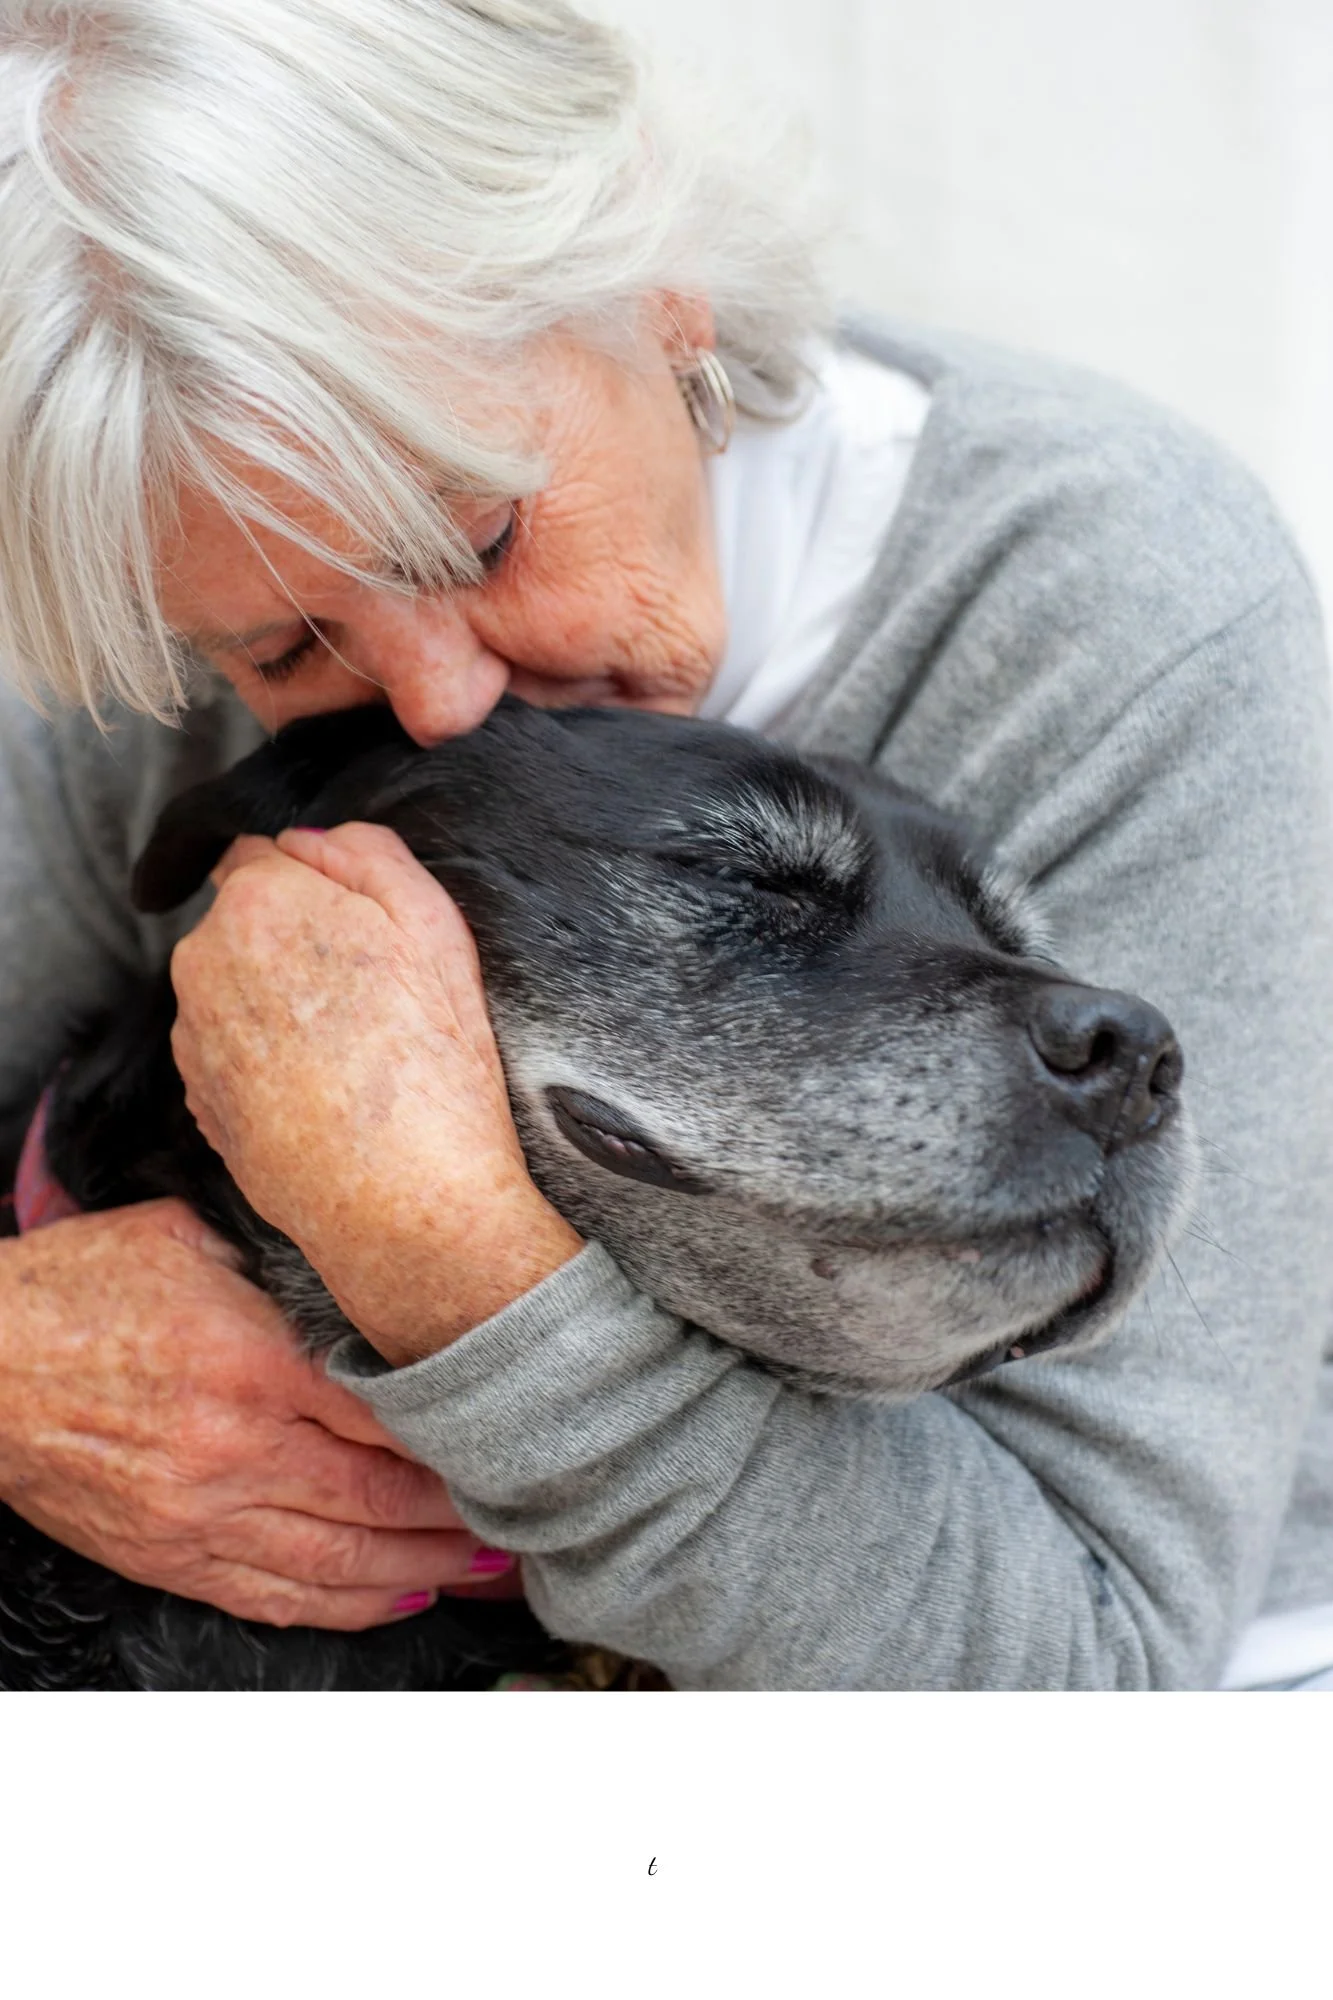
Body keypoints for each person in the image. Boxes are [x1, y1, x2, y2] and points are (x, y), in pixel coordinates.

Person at [2, 0, 1332, 1690]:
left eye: (480, 536)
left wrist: (450, 1267)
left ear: (660, 297)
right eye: (287, 650)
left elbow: (1095, 1665)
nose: (438, 705)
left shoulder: (1120, 601)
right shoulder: (173, 595)